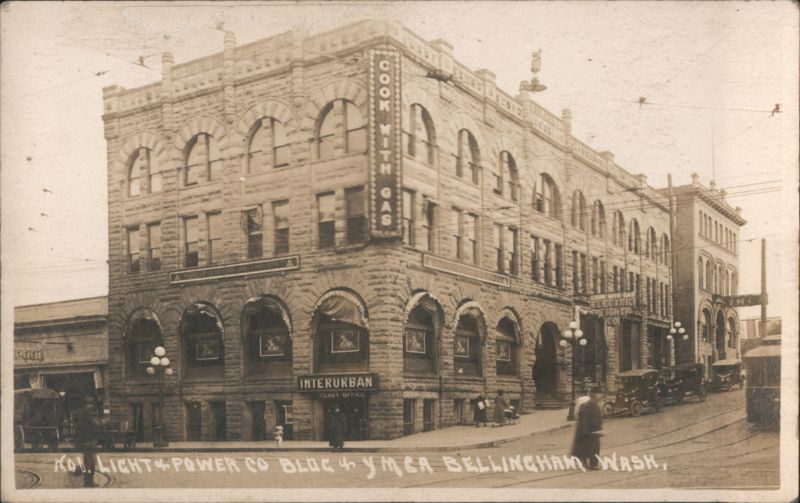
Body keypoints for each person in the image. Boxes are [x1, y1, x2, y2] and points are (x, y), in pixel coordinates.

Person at [571, 387, 605, 470]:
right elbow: (588, 418)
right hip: (592, 430)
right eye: (599, 393)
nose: (601, 395)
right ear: (595, 394)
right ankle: (593, 464)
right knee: (593, 448)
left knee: (588, 447)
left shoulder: (592, 403)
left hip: (592, 430)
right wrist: (590, 430)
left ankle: (588, 463)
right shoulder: (591, 403)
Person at [74, 396, 99, 487]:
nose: (91, 406)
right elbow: (94, 425)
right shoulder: (86, 414)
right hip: (88, 441)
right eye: (89, 404)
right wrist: (100, 423)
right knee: (90, 463)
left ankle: (88, 481)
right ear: (86, 405)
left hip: (86, 441)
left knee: (88, 462)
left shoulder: (82, 413)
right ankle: (88, 482)